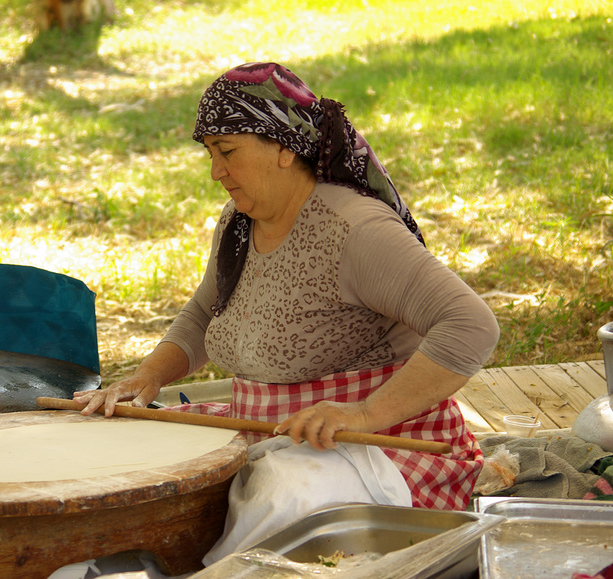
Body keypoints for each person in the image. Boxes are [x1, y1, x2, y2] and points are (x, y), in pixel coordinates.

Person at [74, 62, 500, 562]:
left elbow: (472, 325)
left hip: (376, 449)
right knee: (123, 451)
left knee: (287, 493)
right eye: (210, 154)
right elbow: (204, 314)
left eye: (228, 152)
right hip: (260, 431)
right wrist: (146, 378)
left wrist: (364, 414)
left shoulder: (353, 230)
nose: (216, 172)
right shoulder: (238, 223)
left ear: (283, 146)